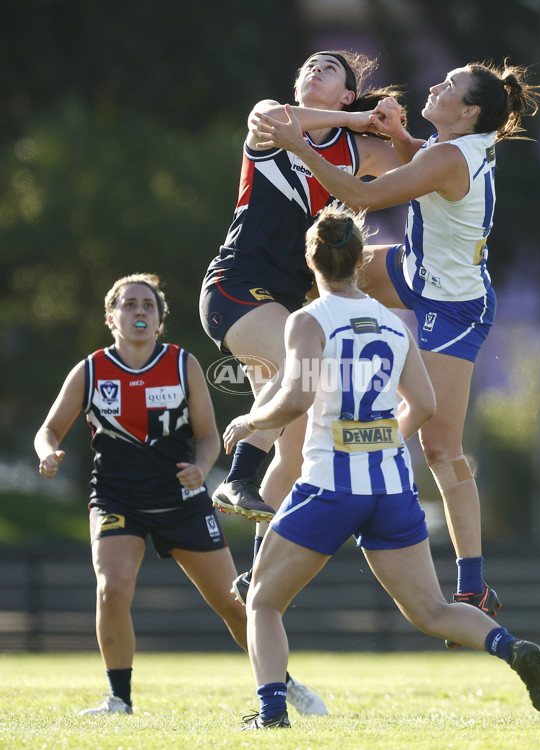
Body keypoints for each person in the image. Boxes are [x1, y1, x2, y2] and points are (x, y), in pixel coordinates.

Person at [222, 207, 540, 729]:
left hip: (329, 486)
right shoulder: (391, 322)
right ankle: (512, 649)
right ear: (361, 260)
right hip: (391, 487)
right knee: (430, 612)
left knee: (262, 601)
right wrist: (378, 441)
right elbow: (421, 405)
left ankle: (270, 714)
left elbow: (295, 397)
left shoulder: (306, 320)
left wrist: (249, 419)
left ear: (311, 261)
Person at [250, 60, 540, 642]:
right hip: (416, 270)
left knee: (440, 447)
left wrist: (293, 142)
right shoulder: (454, 142)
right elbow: (425, 161)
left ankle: (473, 583)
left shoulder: (449, 155)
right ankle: (284, 371)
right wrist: (399, 136)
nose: (433, 87)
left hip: (455, 308)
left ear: (469, 111)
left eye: (448, 88)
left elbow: (359, 194)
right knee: (322, 273)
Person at [34, 272, 326, 716]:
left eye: (148, 306)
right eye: (129, 304)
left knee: (233, 603)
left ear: (160, 320)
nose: (139, 312)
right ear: (112, 317)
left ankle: (281, 684)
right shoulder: (92, 369)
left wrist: (201, 468)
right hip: (117, 500)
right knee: (112, 589)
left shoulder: (181, 364)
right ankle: (120, 699)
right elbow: (49, 429)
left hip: (181, 502)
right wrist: (48, 451)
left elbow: (208, 437)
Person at [200, 50, 408, 602]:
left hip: (286, 298)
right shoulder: (275, 116)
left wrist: (395, 129)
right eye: (310, 66)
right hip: (234, 285)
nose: (315, 70)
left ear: (345, 92)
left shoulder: (357, 147)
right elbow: (280, 122)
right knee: (303, 377)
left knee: (295, 442)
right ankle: (238, 473)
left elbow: (416, 169)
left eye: (330, 69)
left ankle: (256, 572)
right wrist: (357, 118)